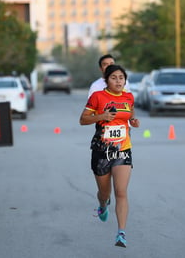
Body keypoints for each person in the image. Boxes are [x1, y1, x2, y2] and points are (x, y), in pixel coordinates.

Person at [79, 64, 140, 248]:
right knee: (105, 193)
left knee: (121, 192)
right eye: (114, 77)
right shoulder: (97, 97)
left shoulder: (129, 97)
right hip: (101, 150)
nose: (118, 81)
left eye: (121, 77)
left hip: (123, 149)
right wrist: (102, 116)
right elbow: (83, 119)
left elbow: (130, 114)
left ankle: (121, 233)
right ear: (106, 80)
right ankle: (103, 205)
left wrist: (133, 121)